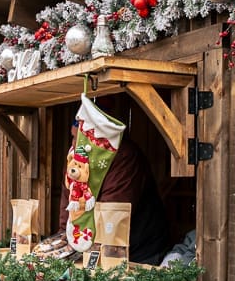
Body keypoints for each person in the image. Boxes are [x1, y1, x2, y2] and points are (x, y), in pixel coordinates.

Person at [57, 105, 171, 265]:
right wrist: (64, 238)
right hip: (98, 246)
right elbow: (68, 202)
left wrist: (79, 246)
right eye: (72, 137)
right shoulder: (75, 158)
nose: (74, 144)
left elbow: (111, 213)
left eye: (79, 138)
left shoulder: (124, 157)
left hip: (140, 251)